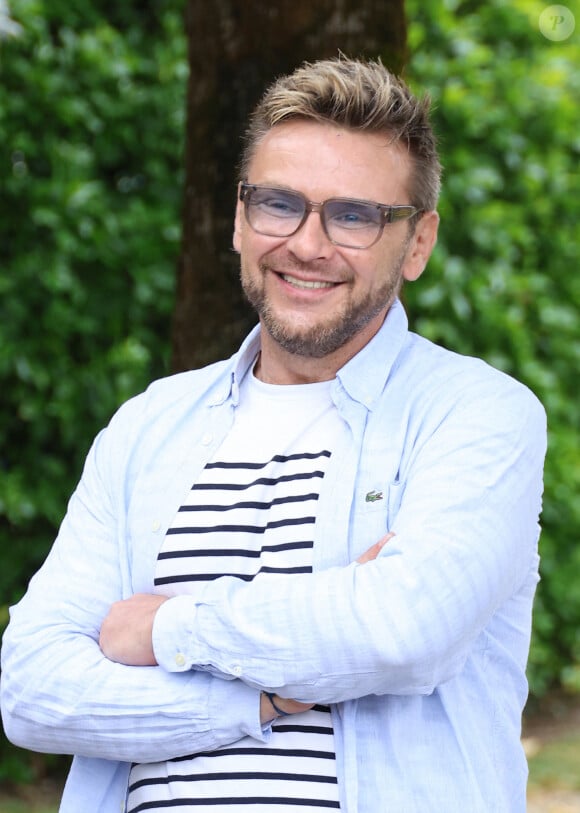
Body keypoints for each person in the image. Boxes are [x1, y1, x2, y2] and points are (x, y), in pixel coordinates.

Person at [1, 57, 546, 813]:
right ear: (237, 217)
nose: (307, 243)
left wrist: (166, 627)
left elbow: (402, 628)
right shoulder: (147, 426)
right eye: (280, 203)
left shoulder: (476, 412)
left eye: (354, 215)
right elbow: (31, 688)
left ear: (417, 243)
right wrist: (259, 700)